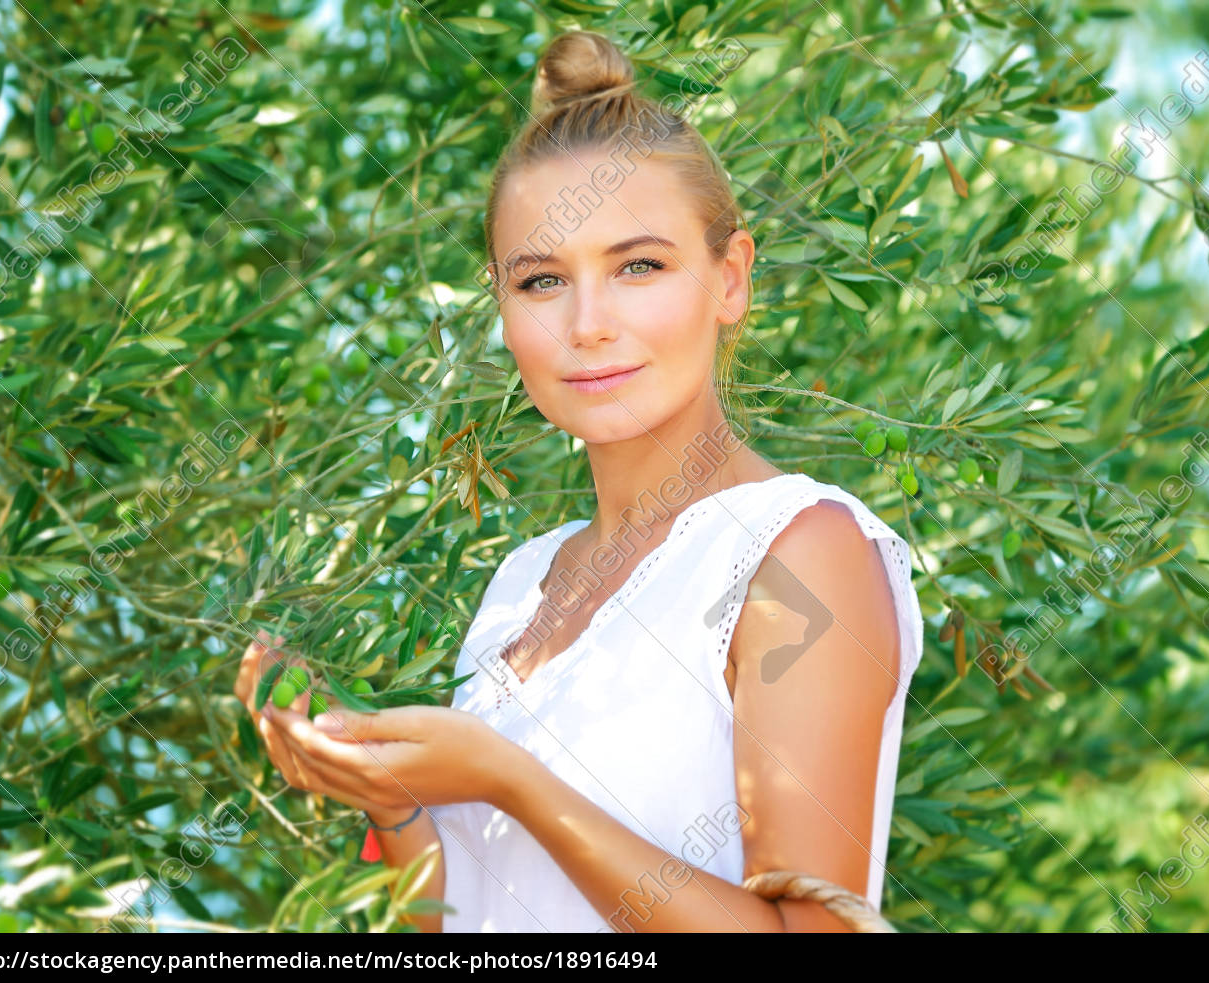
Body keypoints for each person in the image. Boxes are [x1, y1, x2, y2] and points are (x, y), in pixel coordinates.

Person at [233, 29, 923, 933]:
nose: (587, 323)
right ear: (504, 308)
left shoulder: (801, 551)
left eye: (639, 266)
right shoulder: (522, 584)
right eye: (542, 280)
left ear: (731, 277)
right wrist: (392, 796)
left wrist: (510, 778)